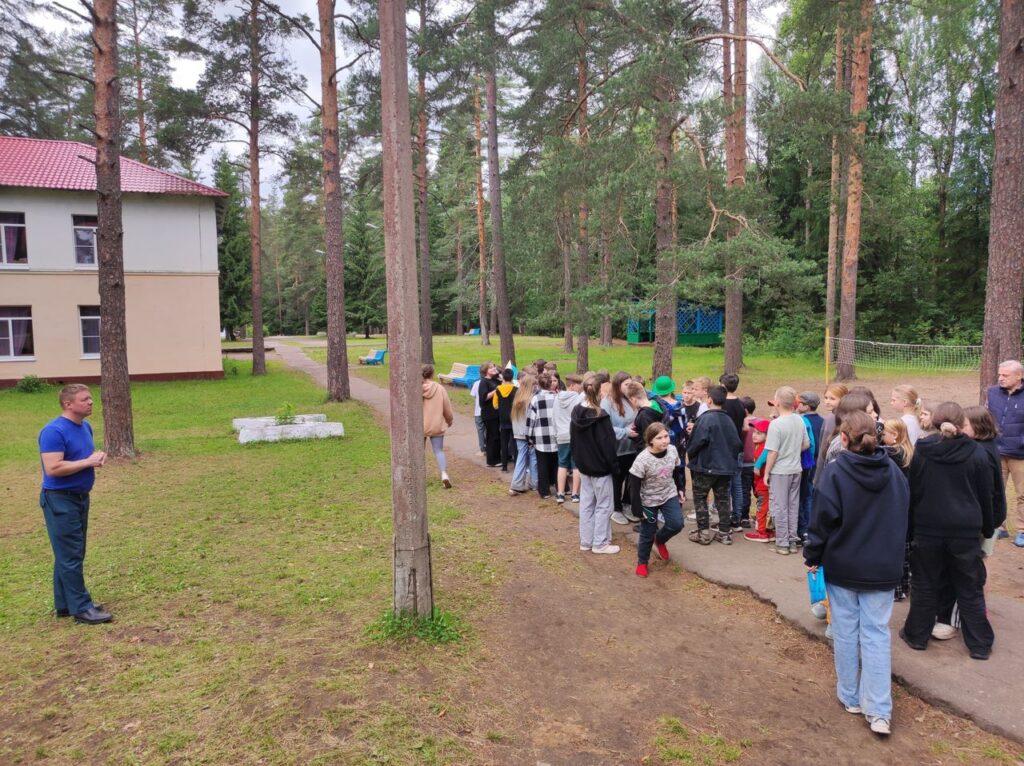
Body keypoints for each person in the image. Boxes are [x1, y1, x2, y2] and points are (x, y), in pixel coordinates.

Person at [804, 411, 909, 737]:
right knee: (874, 634)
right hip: (879, 566)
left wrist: (812, 555)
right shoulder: (893, 473)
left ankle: (858, 699)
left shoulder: (838, 473)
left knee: (848, 631)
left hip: (847, 565)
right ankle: (873, 707)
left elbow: (820, 521)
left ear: (844, 438)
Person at [900, 402, 996, 661]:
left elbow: (913, 490)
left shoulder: (969, 453)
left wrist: (911, 528)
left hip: (932, 528)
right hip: (958, 529)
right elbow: (985, 496)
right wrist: (987, 527)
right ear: (961, 423)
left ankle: (918, 635)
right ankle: (979, 644)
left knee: (925, 582)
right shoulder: (970, 452)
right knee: (968, 586)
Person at [38, 384, 111, 625]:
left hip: (80, 497)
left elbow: (80, 458)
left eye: (90, 398)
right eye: (84, 399)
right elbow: (53, 468)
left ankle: (65, 604)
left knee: (69, 553)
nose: (91, 402)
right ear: (68, 404)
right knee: (70, 555)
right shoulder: (53, 431)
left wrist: (95, 458)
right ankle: (81, 608)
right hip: (60, 500)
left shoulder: (85, 427)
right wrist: (87, 462)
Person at [570, 376, 620, 554]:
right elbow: (608, 445)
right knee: (604, 505)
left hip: (584, 465)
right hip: (600, 468)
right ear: (600, 392)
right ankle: (600, 542)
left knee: (587, 503)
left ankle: (586, 540)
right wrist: (614, 467)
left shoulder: (577, 411)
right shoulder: (601, 416)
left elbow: (573, 440)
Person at [686, 385, 742, 545]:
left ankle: (703, 532)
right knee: (723, 499)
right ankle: (724, 533)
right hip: (725, 468)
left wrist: (692, 455)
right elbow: (737, 443)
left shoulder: (705, 419)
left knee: (700, 497)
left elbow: (696, 443)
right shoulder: (728, 420)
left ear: (709, 400)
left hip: (706, 466)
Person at [630, 422, 685, 577]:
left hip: (668, 494)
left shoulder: (672, 450)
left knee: (677, 524)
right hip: (648, 500)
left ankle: (660, 540)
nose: (664, 440)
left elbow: (676, 471)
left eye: (666, 436)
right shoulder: (643, 459)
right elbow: (633, 485)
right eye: (659, 438)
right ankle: (642, 562)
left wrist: (680, 488)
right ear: (650, 441)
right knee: (647, 532)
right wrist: (637, 508)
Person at [764, 387, 809, 555]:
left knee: (780, 506)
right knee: (793, 505)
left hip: (780, 471)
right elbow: (806, 444)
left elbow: (772, 452)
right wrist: (793, 451)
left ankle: (782, 542)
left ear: (777, 402)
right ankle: (792, 540)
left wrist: (766, 472)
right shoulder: (799, 420)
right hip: (796, 469)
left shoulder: (776, 425)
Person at [985, 360, 1024, 547]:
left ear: (1019, 376)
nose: (1000, 378)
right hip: (996, 451)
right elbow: (986, 417)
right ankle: (999, 526)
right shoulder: (992, 393)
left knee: (1022, 494)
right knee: (995, 491)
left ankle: (1022, 530)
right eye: (999, 374)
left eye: (1005, 375)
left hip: (1020, 454)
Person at [881, 418, 914, 601]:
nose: (881, 437)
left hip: (894, 507)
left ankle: (895, 589)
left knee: (893, 548)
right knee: (904, 548)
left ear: (894, 435)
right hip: (907, 507)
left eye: (884, 434)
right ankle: (904, 587)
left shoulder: (891, 454)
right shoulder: (908, 452)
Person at [602, 371, 640, 520]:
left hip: (632, 447)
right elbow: (605, 427)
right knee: (617, 479)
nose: (629, 387)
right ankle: (616, 508)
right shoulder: (607, 402)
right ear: (618, 385)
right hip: (617, 449)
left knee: (632, 478)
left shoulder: (631, 400)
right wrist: (625, 432)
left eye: (631, 384)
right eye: (626, 384)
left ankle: (627, 503)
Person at [720, 373, 749, 532]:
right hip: (738, 448)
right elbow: (745, 428)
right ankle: (736, 519)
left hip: (724, 449)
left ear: (723, 385)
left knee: (725, 485)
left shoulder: (722, 404)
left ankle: (726, 519)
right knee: (737, 485)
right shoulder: (741, 404)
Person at [526, 372, 559, 499]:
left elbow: (531, 420)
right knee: (557, 463)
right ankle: (561, 487)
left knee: (542, 464)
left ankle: (544, 491)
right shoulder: (557, 398)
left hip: (540, 437)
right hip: (556, 435)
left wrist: (529, 437)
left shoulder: (535, 399)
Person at [422, 365, 455, 488]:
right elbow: (447, 407)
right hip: (436, 424)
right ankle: (444, 474)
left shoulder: (416, 389)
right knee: (438, 450)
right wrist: (449, 420)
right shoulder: (440, 389)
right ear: (432, 374)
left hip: (420, 425)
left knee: (419, 451)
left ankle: (419, 475)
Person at [797, 391, 824, 542]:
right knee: (810, 493)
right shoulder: (822, 420)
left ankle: (804, 528)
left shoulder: (802, 421)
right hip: (817, 462)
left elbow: (810, 444)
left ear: (806, 406)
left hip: (807, 462)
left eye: (799, 403)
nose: (797, 405)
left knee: (803, 495)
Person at [554, 374, 584, 504]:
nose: (580, 387)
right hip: (575, 435)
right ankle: (575, 493)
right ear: (572, 385)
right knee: (576, 465)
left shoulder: (557, 398)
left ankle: (560, 493)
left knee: (562, 464)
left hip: (561, 435)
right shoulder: (578, 399)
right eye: (578, 385)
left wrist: (556, 433)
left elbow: (554, 417)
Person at [743, 419, 774, 542]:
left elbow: (759, 470)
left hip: (763, 484)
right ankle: (768, 531)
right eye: (754, 432)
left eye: (759, 433)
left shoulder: (764, 448)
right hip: (762, 484)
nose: (754, 435)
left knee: (762, 509)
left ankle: (762, 533)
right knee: (766, 508)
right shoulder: (759, 446)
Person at [508, 373, 538, 495]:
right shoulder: (531, 400)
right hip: (528, 433)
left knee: (522, 456)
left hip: (518, 432)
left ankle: (519, 483)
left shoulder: (518, 397)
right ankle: (533, 483)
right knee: (532, 457)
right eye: (535, 384)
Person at [493, 368, 517, 472]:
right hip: (513, 418)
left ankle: (504, 466)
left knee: (504, 442)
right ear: (512, 377)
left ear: (503, 377)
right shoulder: (516, 389)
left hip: (502, 418)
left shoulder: (498, 389)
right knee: (515, 442)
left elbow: (495, 405)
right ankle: (516, 466)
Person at [478, 362, 502, 467]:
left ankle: (498, 457)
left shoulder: (496, 379)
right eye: (491, 367)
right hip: (489, 413)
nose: (494, 368)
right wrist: (495, 391)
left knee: (497, 436)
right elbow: (483, 398)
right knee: (492, 436)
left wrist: (500, 376)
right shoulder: (484, 382)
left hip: (497, 412)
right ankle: (492, 461)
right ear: (485, 371)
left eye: (494, 367)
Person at [469, 373, 486, 455]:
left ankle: (482, 449)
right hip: (488, 411)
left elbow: (473, 395)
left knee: (480, 430)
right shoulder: (491, 383)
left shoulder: (476, 383)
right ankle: (488, 448)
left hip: (478, 411)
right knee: (488, 430)